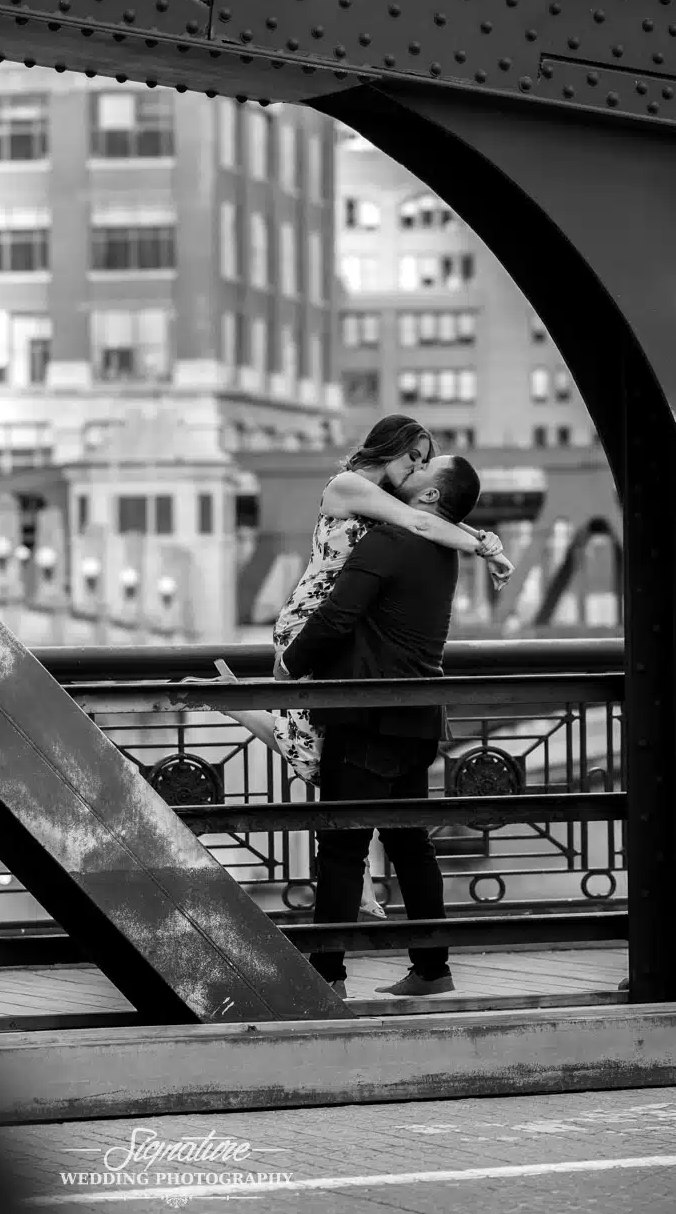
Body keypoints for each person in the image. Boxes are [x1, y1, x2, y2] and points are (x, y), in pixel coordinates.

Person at [205, 415, 507, 917]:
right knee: (332, 768)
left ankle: (356, 897)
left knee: (331, 768)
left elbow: (430, 516)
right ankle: (376, 906)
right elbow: (422, 519)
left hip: (344, 653)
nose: (417, 466)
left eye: (425, 462)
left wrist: (483, 539)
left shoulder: (395, 514)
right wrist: (484, 546)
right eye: (414, 455)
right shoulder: (349, 486)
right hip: (312, 624)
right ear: (387, 448)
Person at [279, 453, 484, 1000]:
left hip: (365, 713)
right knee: (410, 842)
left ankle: (327, 977)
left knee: (343, 847)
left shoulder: (390, 542)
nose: (406, 475)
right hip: (417, 717)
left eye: (421, 470)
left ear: (432, 496)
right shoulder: (442, 551)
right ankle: (431, 968)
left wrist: (287, 666)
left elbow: (336, 616)